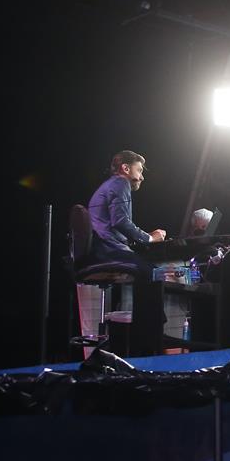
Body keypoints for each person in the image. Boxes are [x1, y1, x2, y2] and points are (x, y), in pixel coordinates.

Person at [85, 150, 167, 355]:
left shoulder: (108, 186)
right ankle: (149, 342)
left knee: (148, 270)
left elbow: (116, 223)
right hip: (108, 250)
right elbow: (120, 221)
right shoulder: (120, 183)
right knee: (154, 273)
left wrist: (143, 235)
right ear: (125, 168)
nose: (142, 176)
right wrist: (149, 238)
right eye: (139, 170)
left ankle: (141, 336)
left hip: (103, 248)